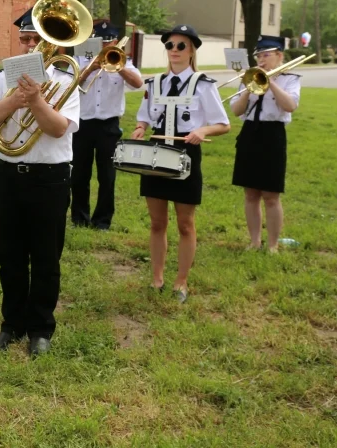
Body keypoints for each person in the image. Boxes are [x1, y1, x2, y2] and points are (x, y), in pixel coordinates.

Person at [0, 9, 80, 358]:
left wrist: (35, 100)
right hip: (10, 177)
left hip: (51, 178)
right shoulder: (3, 77)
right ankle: (11, 325)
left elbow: (58, 128)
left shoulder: (65, 80)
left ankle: (41, 329)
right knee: (9, 256)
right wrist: (13, 100)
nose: (30, 45)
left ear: (50, 43)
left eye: (37, 39)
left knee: (46, 258)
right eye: (25, 39)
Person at [131, 24, 230, 303]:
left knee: (185, 224)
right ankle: (157, 277)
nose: (174, 50)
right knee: (156, 222)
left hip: (186, 154)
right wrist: (140, 127)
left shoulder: (203, 84)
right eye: (169, 45)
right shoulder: (154, 83)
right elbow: (144, 117)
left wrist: (203, 131)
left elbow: (223, 124)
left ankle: (181, 281)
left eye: (181, 46)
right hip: (156, 153)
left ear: (192, 50)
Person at [230, 35, 301, 253]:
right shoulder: (249, 76)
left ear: (279, 56)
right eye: (259, 55)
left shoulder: (291, 78)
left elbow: (290, 106)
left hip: (273, 134)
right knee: (250, 193)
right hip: (250, 132)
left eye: (266, 55)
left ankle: (272, 245)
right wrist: (249, 87)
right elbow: (236, 110)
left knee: (271, 194)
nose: (261, 59)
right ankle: (254, 241)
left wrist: (270, 83)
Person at [71, 21, 142, 230]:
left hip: (109, 126)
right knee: (79, 175)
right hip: (82, 124)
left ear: (114, 41)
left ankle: (102, 221)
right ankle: (79, 218)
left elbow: (137, 83)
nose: (104, 45)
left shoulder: (123, 61)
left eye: (108, 41)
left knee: (107, 176)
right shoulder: (80, 58)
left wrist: (118, 67)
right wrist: (89, 68)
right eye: (101, 41)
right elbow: (70, 85)